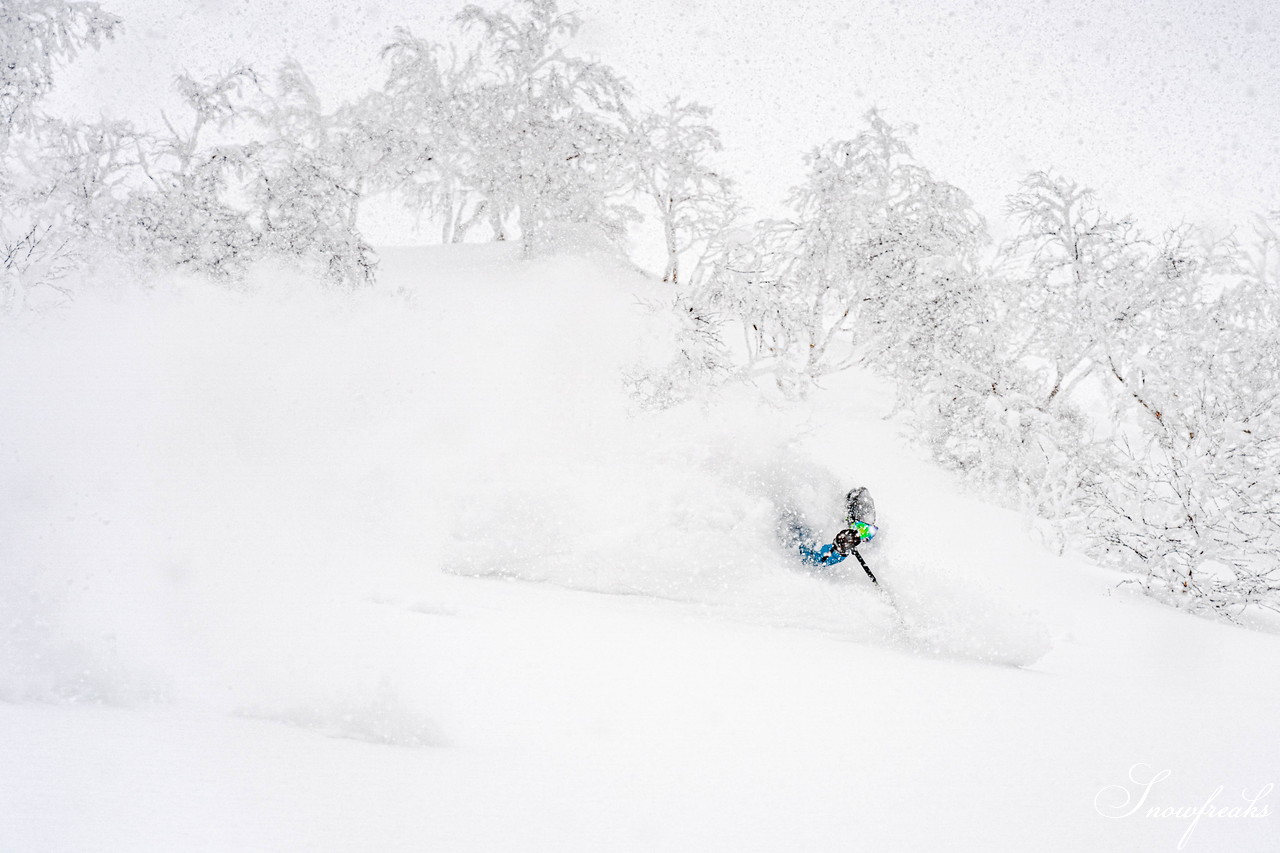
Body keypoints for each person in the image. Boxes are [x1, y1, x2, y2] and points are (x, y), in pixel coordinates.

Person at [794, 487, 879, 580]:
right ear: (848, 519)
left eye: (869, 533)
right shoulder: (819, 523)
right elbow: (809, 560)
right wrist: (838, 550)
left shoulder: (868, 546)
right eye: (861, 529)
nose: (862, 538)